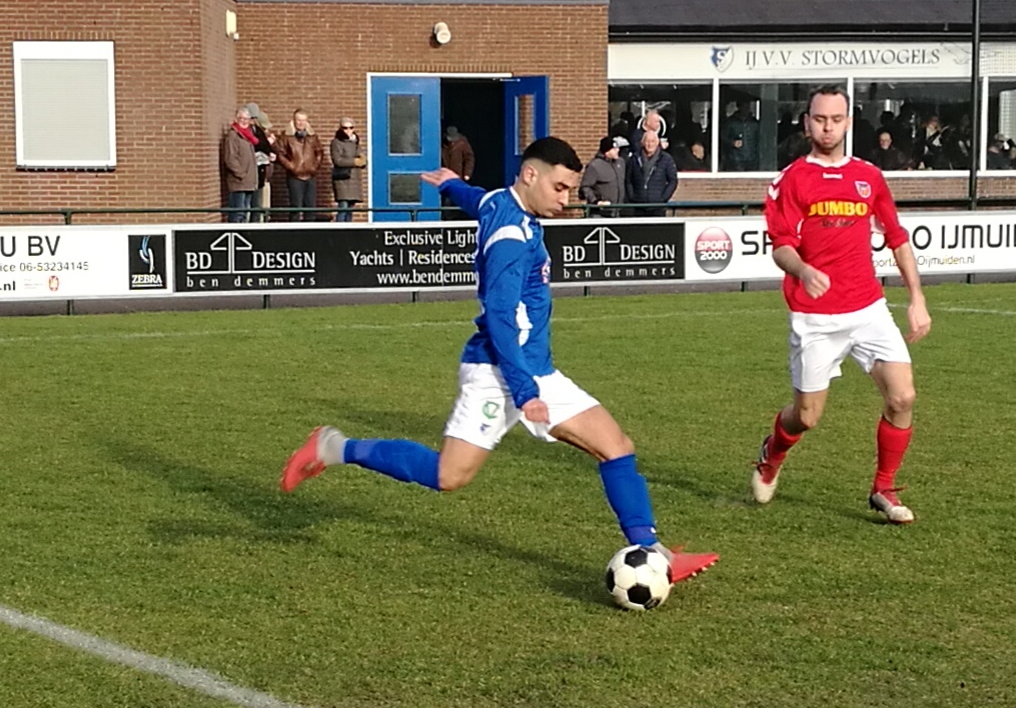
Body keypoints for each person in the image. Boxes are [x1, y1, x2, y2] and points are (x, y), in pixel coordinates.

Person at [280, 138, 716, 586]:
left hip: (536, 369)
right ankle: (334, 447)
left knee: (616, 446)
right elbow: (500, 319)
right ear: (531, 175)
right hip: (497, 372)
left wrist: (452, 186)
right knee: (448, 476)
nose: (566, 200)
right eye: (561, 188)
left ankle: (652, 550)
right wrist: (525, 393)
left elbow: (479, 199)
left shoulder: (501, 204)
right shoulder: (510, 239)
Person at [749, 85, 931, 525]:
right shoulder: (792, 180)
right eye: (819, 119)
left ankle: (883, 488)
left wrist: (917, 299)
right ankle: (771, 456)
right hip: (815, 317)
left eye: (835, 119)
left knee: (903, 396)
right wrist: (803, 271)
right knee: (806, 418)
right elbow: (780, 247)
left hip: (868, 308)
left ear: (848, 122)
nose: (827, 127)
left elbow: (897, 237)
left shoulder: (869, 176)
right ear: (806, 122)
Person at [274, 109, 324, 221]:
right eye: (298, 120)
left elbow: (319, 152)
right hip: (295, 176)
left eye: (303, 120)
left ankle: (310, 233)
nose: (301, 123)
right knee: (295, 206)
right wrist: (292, 167)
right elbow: (280, 154)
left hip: (310, 175)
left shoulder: (313, 136)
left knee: (310, 207)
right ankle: (294, 232)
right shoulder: (286, 136)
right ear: (294, 121)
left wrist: (315, 167)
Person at [623, 127, 678, 217]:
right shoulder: (634, 159)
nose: (650, 144)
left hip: (657, 207)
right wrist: (632, 197)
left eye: (653, 141)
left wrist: (663, 198)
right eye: (647, 141)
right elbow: (628, 180)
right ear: (642, 142)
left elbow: (673, 180)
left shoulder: (666, 159)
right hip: (638, 206)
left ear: (657, 143)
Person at [221, 104, 261, 222]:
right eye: (241, 119)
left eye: (246, 119)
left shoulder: (248, 136)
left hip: (248, 182)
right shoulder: (233, 136)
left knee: (244, 214)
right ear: (236, 119)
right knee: (237, 213)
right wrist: (241, 174)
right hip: (239, 182)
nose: (244, 121)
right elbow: (230, 158)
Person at [329, 117, 365, 222]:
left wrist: (363, 161)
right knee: (343, 207)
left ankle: (349, 231)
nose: (348, 130)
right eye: (345, 128)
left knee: (350, 209)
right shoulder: (336, 142)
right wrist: (354, 162)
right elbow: (338, 160)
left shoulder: (356, 142)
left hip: (354, 178)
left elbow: (361, 157)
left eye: (351, 127)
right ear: (340, 128)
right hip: (342, 179)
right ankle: (339, 231)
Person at [580, 136, 625, 212]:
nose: (618, 150)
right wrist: (596, 201)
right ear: (607, 151)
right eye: (614, 149)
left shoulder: (620, 163)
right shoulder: (594, 166)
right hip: (600, 213)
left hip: (618, 212)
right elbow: (585, 187)